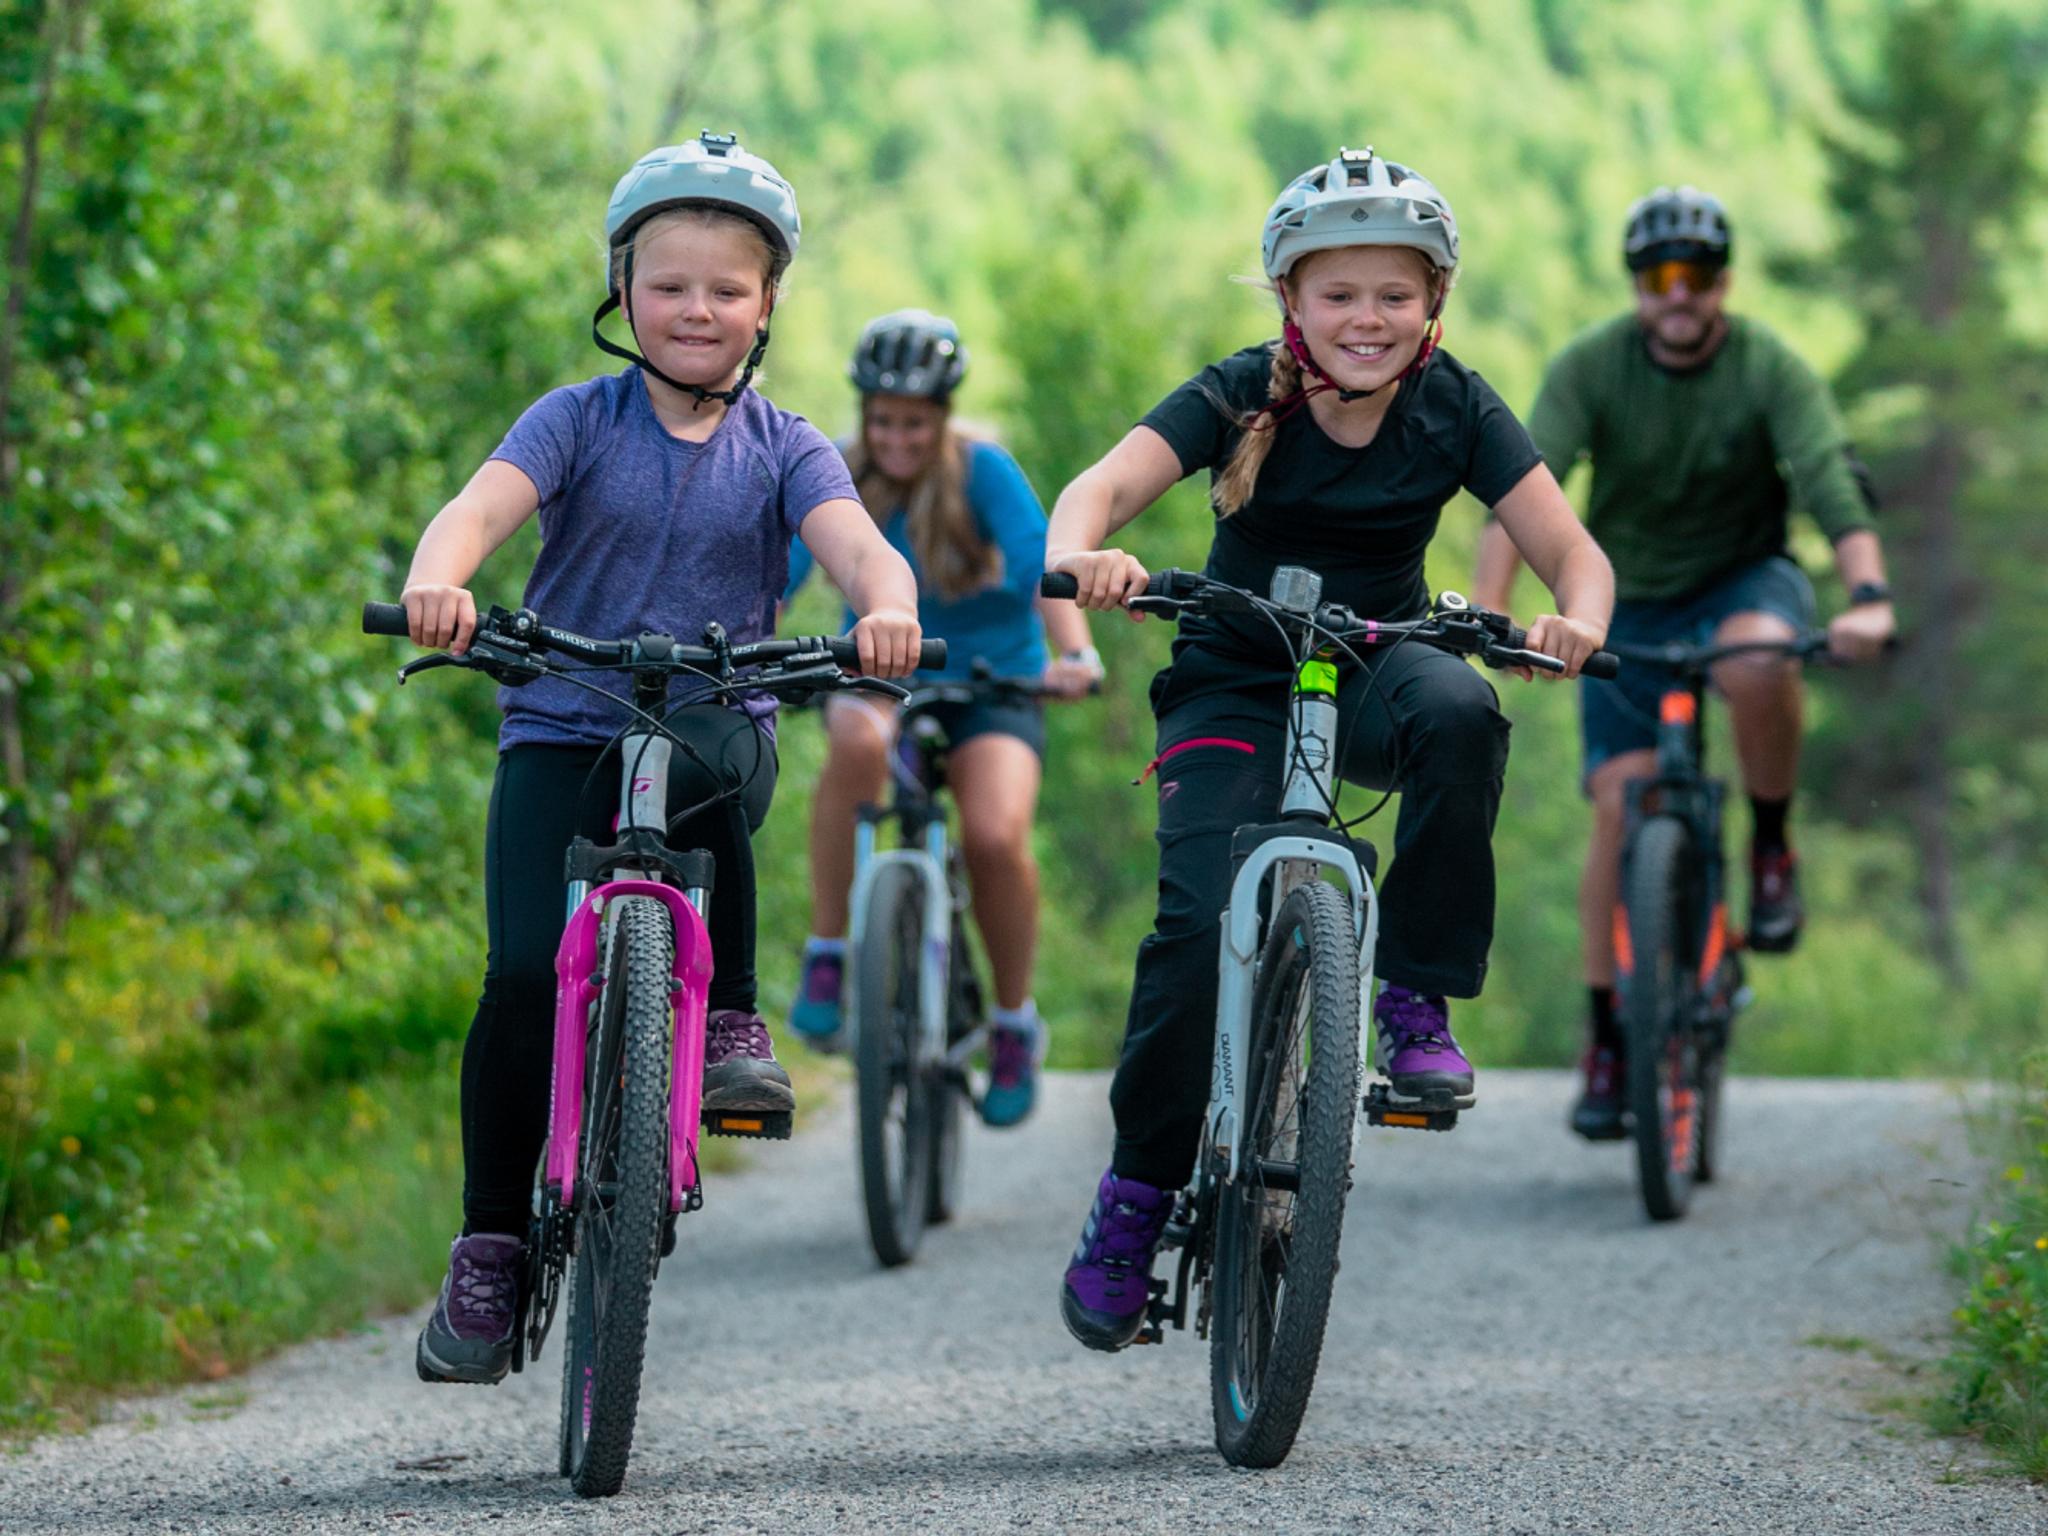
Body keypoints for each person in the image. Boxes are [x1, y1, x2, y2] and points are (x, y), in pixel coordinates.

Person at [1045, 147, 1614, 1351]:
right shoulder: (1237, 390)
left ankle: (1410, 995)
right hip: (1232, 674)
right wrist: (1092, 555)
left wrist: (1577, 620)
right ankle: (1135, 1195)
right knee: (1196, 934)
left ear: (1433, 307)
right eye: (1339, 294)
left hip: (1371, 661)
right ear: (1289, 302)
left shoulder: (1454, 403)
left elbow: (1573, 554)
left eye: (1394, 296)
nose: (1369, 319)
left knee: (1461, 711)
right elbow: (1093, 492)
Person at [398, 132, 923, 1385]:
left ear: (766, 305)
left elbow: (855, 547)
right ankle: (489, 1245)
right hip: (561, 720)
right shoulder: (575, 420)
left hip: (709, 724)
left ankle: (730, 1014)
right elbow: (478, 509)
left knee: (700, 767)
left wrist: (884, 606)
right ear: (622, 288)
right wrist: (438, 578)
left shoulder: (788, 445)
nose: (697, 309)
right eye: (669, 283)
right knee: (523, 974)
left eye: (726, 289)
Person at [1470, 185, 1895, 1142]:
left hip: (1745, 578)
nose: (1677, 295)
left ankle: (1772, 849)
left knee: (1757, 663)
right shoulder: (1592, 367)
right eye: (1658, 277)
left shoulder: (1767, 368)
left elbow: (1830, 474)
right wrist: (1490, 615)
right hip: (1628, 598)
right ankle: (1608, 1036)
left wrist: (1868, 597)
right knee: (1619, 810)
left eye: (1695, 276)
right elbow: (1518, 488)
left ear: (1721, 284)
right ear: (1637, 286)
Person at [783, 309, 1101, 1127]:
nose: (898, 438)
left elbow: (1045, 571)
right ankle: (829, 949)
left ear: (943, 417)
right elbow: (776, 574)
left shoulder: (984, 474)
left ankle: (1012, 1021)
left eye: (915, 423)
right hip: (885, 675)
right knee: (855, 736)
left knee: (994, 837)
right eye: (884, 420)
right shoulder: (837, 474)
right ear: (865, 414)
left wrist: (1074, 656)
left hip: (995, 684)